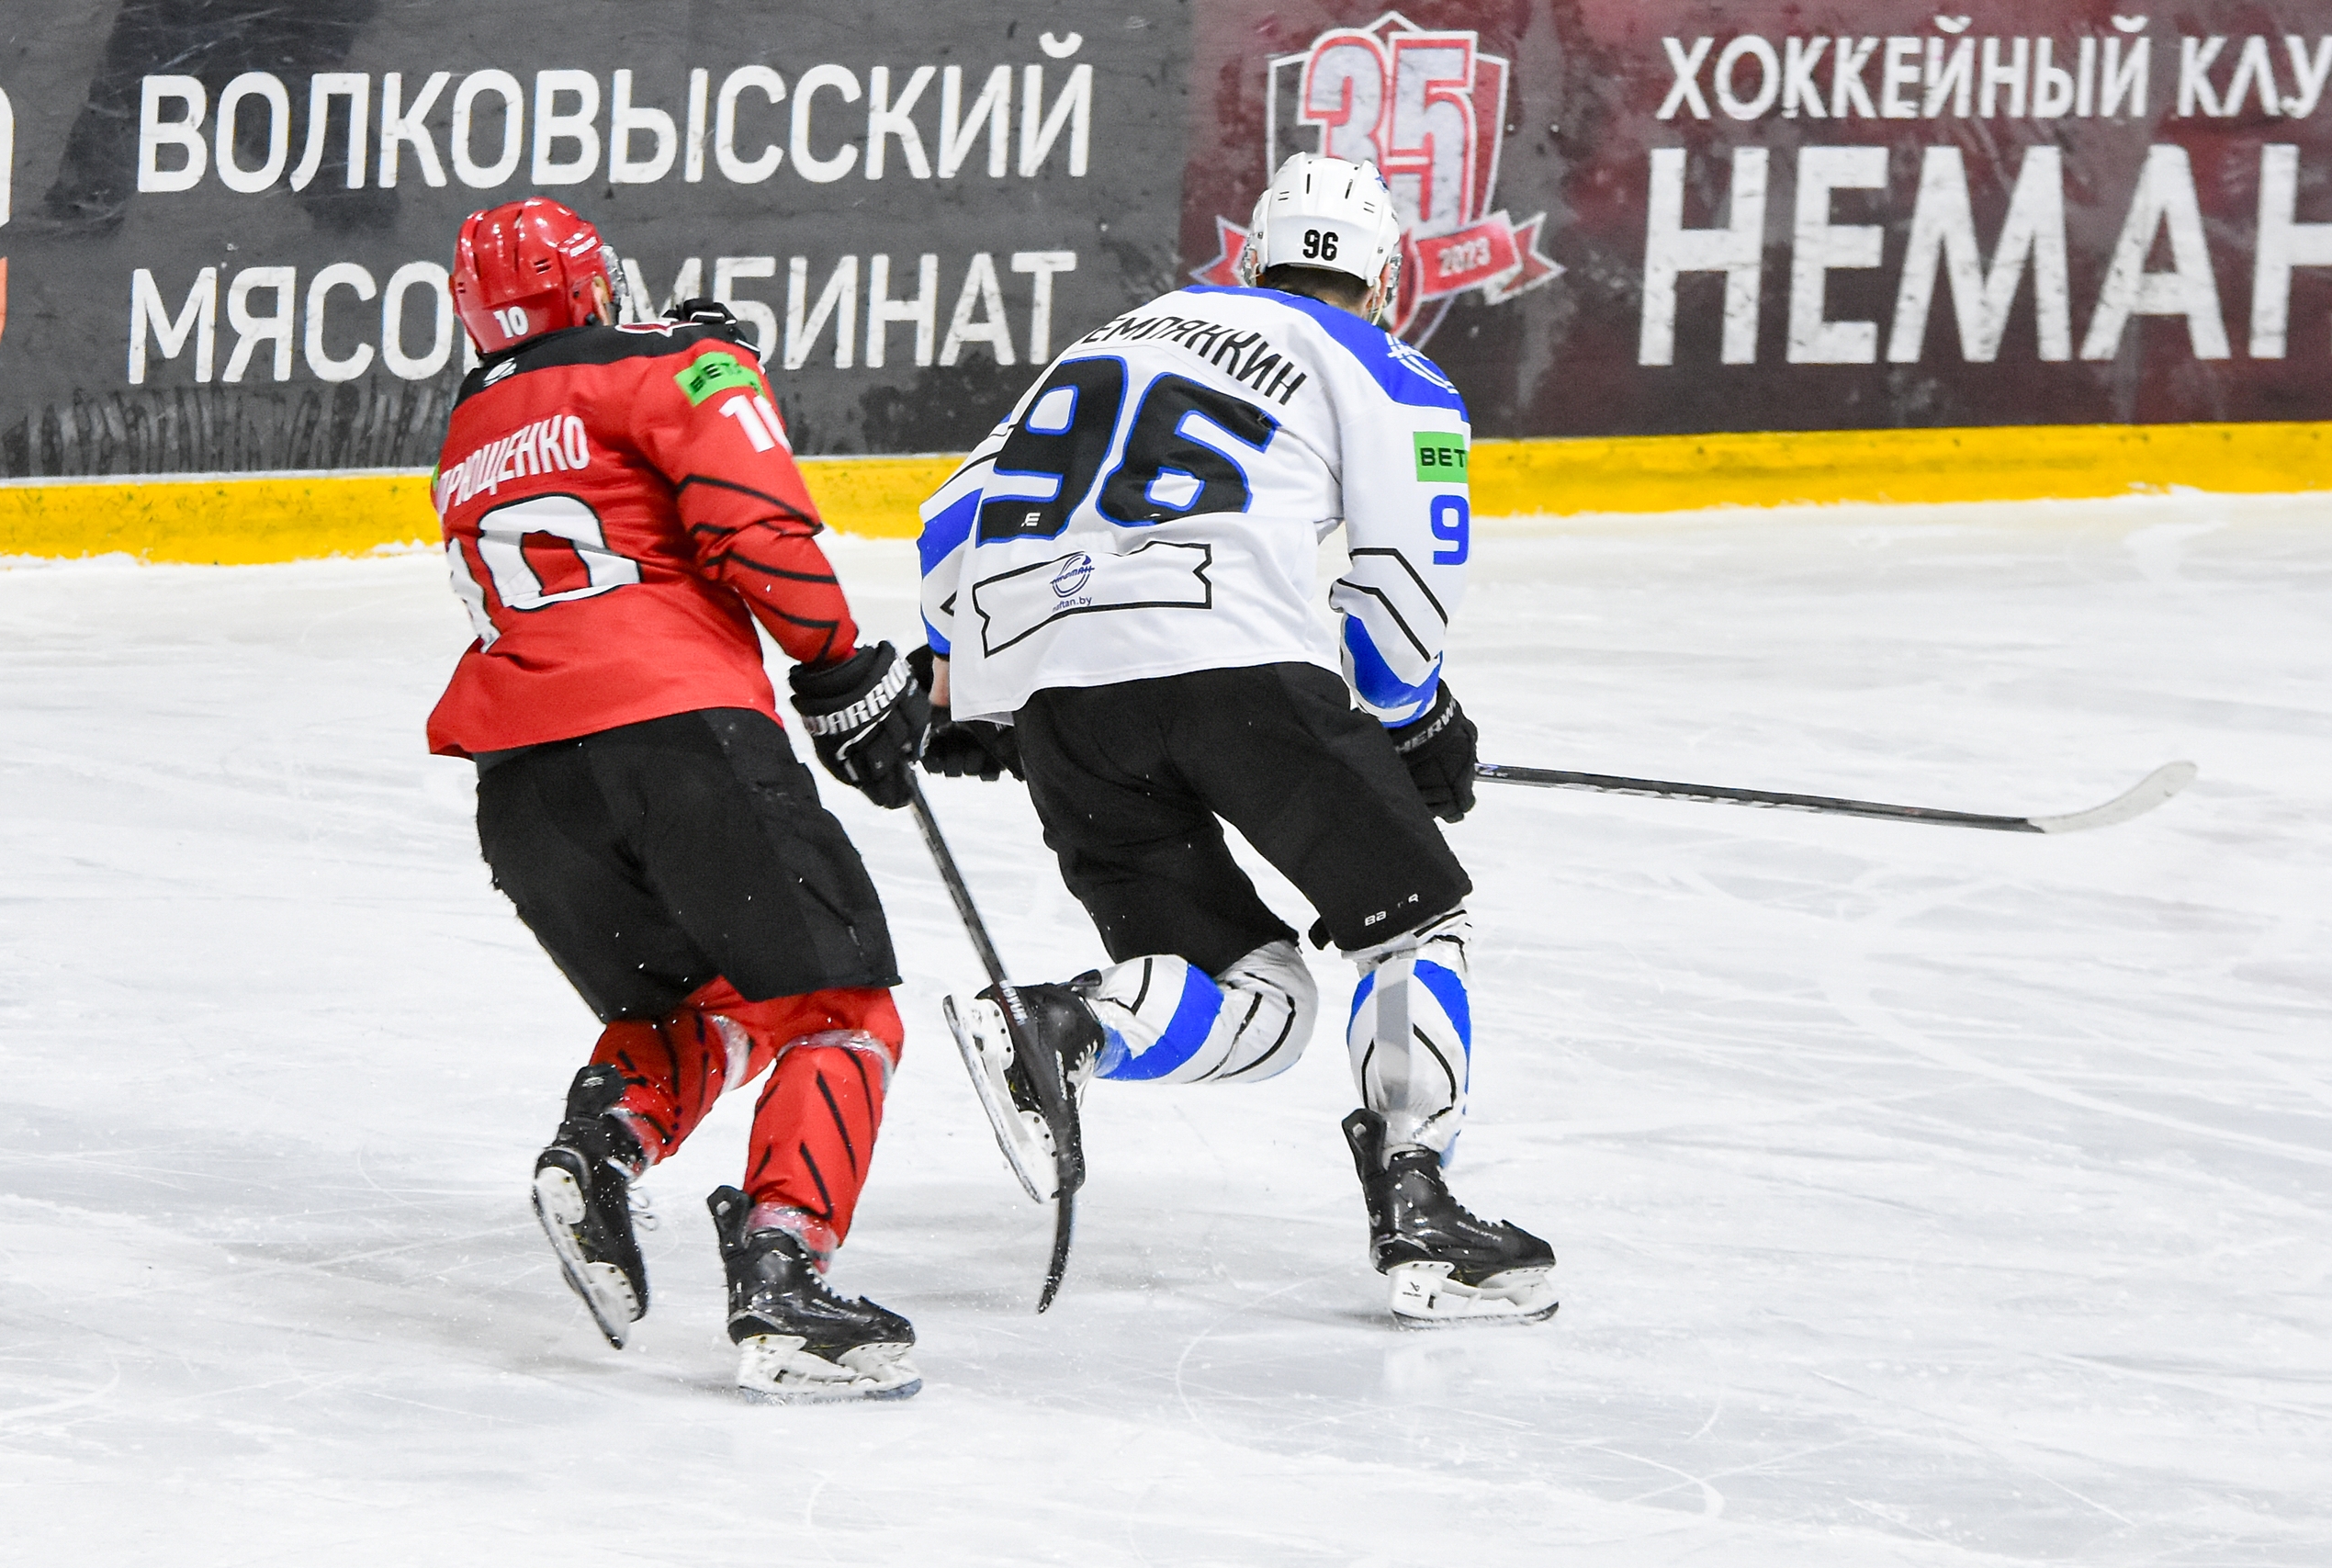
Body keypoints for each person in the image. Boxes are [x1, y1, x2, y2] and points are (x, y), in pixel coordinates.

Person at [914, 154, 1557, 1325]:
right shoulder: (1385, 363)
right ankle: (1418, 1204)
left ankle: (1066, 1026)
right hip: (1240, 671)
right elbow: (1404, 575)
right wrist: (1412, 718)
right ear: (1385, 282)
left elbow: (953, 515)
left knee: (1252, 996)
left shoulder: (1112, 340)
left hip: (1066, 705)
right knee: (1413, 928)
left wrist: (970, 687)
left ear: (1252, 261)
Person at [428, 197, 931, 1400]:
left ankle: (601, 1144)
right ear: (596, 285)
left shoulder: (469, 432)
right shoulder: (677, 364)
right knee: (842, 1009)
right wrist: (841, 671)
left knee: (711, 1001)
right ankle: (784, 1276)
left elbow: (591, 462)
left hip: (527, 788)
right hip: (679, 743)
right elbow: (750, 524)